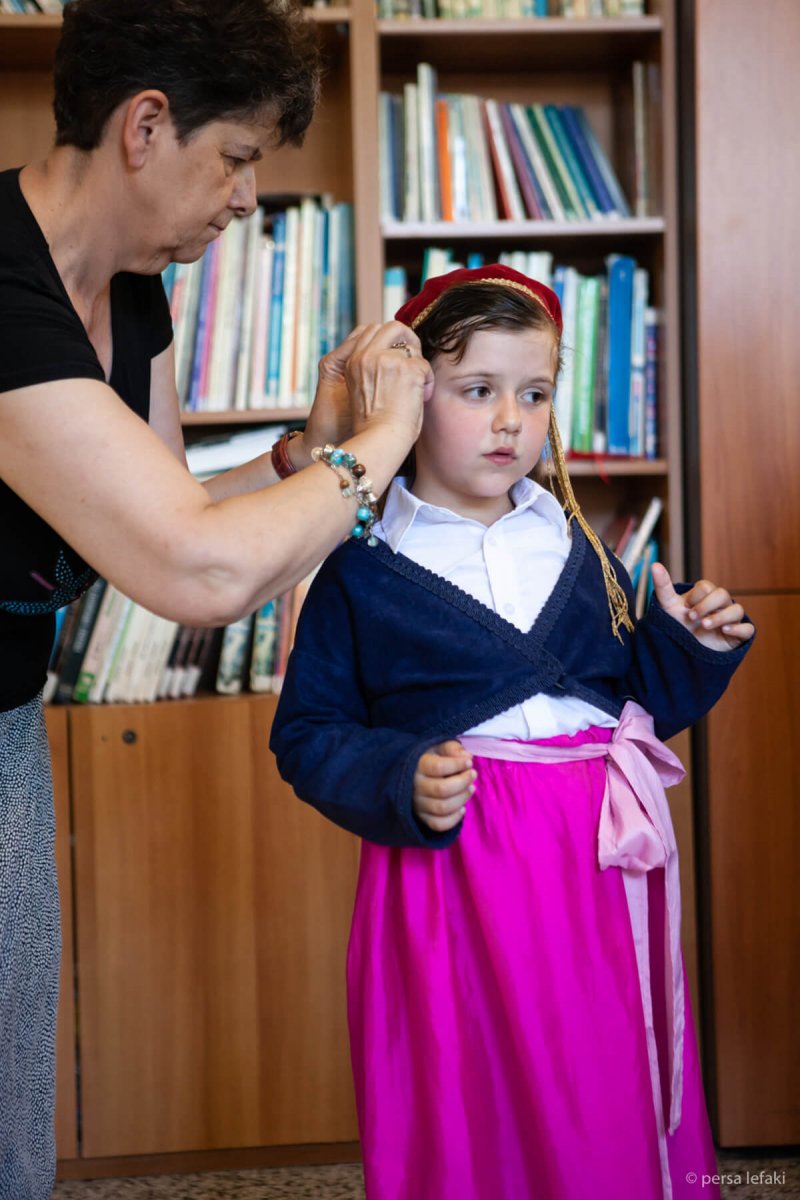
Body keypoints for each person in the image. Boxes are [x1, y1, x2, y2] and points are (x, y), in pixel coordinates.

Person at [0, 1, 430, 1195]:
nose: (248, 198)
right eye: (237, 158)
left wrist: (307, 454)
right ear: (145, 126)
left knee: (6, 1094)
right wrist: (386, 442)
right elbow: (196, 569)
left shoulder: (134, 288)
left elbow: (164, 499)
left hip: (3, 720)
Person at [270, 264, 756, 1200]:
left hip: (597, 875)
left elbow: (635, 703)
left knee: (600, 1084)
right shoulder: (359, 568)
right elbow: (309, 733)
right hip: (454, 882)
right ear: (410, 403)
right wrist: (398, 773)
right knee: (474, 1102)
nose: (510, 421)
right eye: (478, 391)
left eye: (533, 395)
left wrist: (686, 646)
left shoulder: (580, 548)